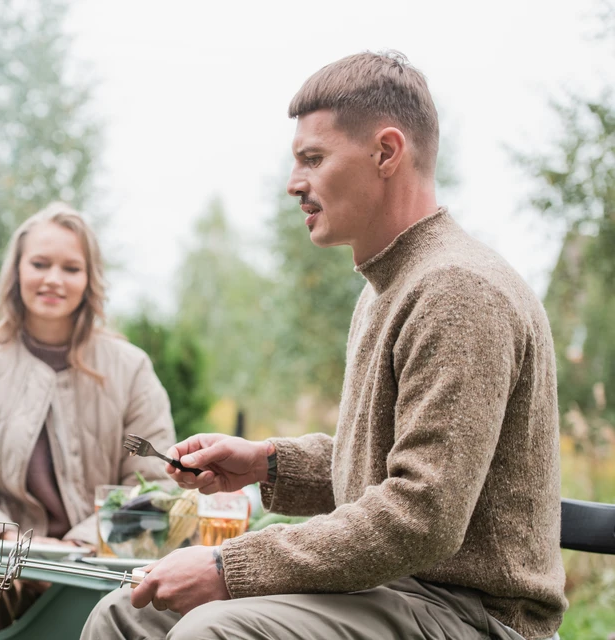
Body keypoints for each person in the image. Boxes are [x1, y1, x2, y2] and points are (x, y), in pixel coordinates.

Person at [81, 51, 566, 640]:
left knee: (211, 632)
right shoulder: (389, 287)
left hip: (472, 615)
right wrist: (266, 462)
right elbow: (383, 468)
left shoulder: (458, 290)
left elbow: (422, 517)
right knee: (127, 615)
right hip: (397, 592)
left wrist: (227, 568)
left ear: (386, 153)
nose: (294, 185)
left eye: (313, 159)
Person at [0, 201, 176, 633]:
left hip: (102, 563)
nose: (53, 279)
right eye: (40, 263)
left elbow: (154, 485)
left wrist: (73, 548)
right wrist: (14, 545)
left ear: (89, 279)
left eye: (71, 268)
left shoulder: (129, 368)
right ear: (17, 271)